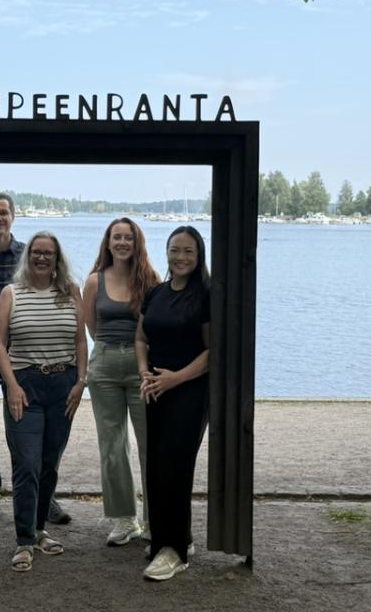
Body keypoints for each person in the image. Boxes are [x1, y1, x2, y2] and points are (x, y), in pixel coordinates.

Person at [0, 194, 72, 527]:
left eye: (4, 213)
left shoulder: (27, 255)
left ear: (13, 217)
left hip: (23, 362)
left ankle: (43, 496)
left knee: (33, 435)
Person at [0, 231, 87, 572]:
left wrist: (80, 381)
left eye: (49, 253)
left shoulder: (71, 293)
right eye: (36, 252)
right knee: (27, 465)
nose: (42, 257)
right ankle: (24, 541)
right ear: (28, 255)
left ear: (57, 258)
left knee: (49, 464)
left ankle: (40, 529)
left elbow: (80, 341)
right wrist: (12, 385)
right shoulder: (11, 293)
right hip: (25, 386)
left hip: (63, 386)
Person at [135, 226, 210, 581]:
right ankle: (164, 538)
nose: (180, 258)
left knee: (176, 468)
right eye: (174, 250)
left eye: (188, 252)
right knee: (155, 466)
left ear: (199, 257)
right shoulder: (156, 293)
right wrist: (144, 374)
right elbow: (140, 338)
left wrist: (175, 378)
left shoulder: (206, 295)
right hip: (156, 390)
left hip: (190, 391)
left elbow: (213, 352)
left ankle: (176, 551)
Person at [81, 218, 159, 546]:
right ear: (108, 242)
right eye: (117, 237)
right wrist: (110, 353)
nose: (122, 242)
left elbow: (156, 325)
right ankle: (126, 519)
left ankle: (157, 519)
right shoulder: (95, 281)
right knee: (112, 446)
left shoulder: (151, 280)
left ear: (136, 242)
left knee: (150, 444)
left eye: (128, 237)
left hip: (143, 369)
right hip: (105, 365)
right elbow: (91, 327)